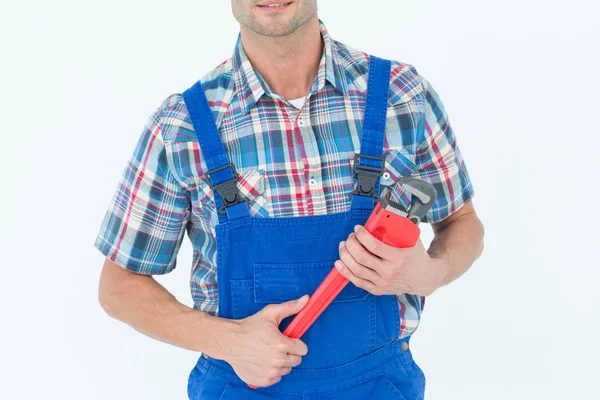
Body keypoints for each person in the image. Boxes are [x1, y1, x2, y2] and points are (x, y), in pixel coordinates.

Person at [94, 1, 485, 399]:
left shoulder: (402, 95)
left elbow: (462, 222)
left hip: (379, 387)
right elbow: (118, 286)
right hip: (245, 388)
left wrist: (431, 273)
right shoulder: (183, 124)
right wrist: (227, 340)